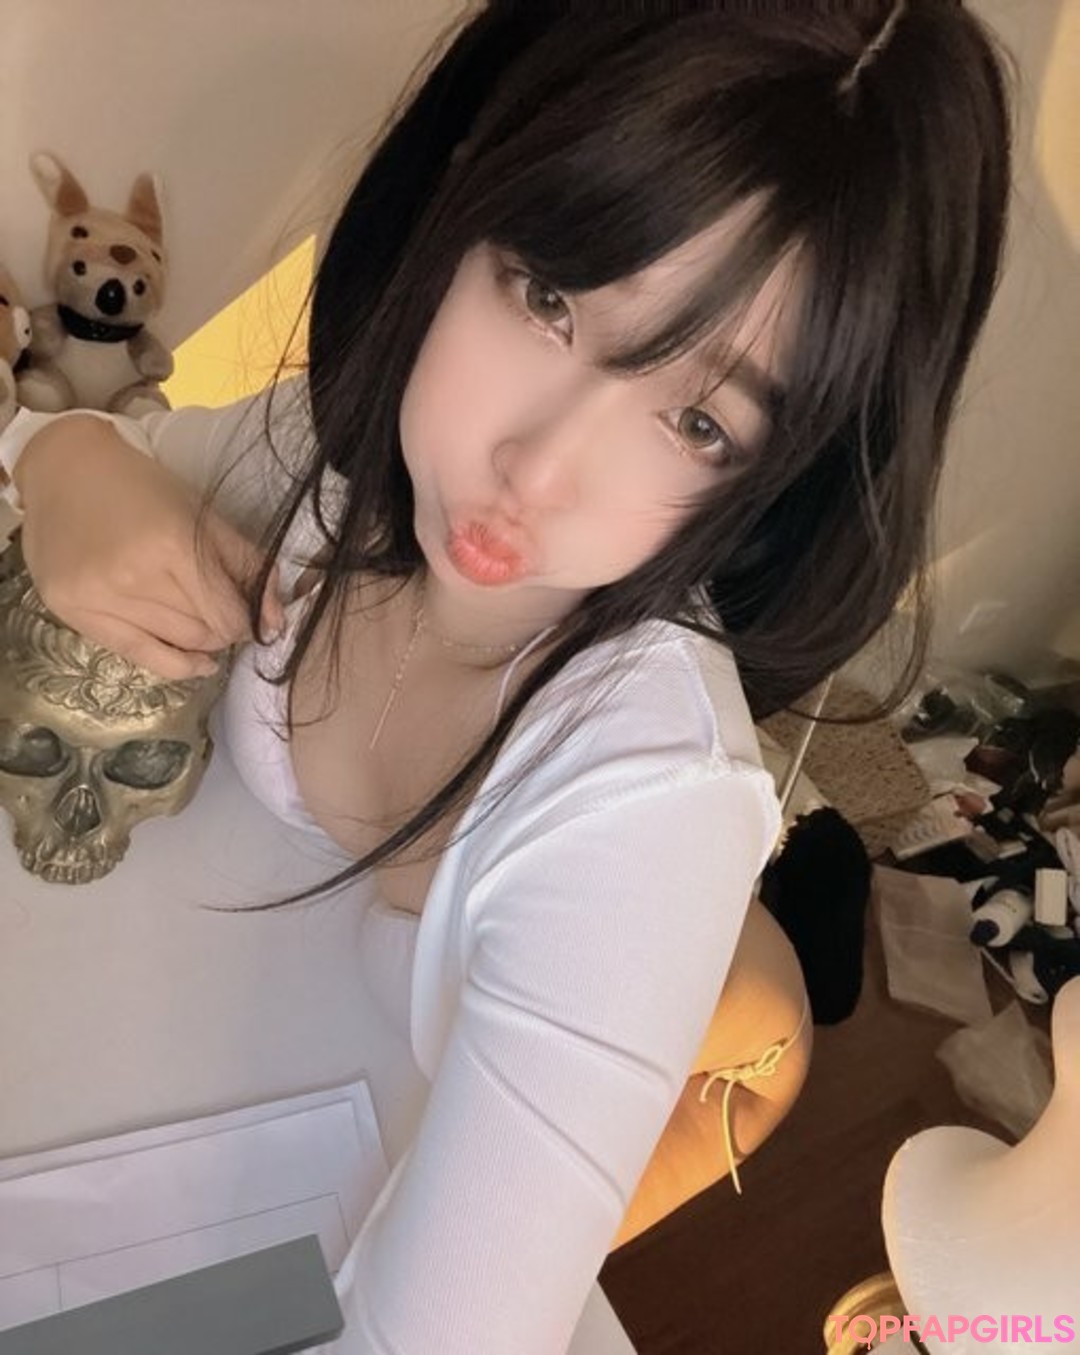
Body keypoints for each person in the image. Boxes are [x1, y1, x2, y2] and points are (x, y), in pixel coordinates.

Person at [0, 2, 1011, 1350]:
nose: (536, 469)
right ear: (460, 191)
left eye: (696, 419)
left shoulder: (643, 801)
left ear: (785, 474)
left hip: (277, 1254)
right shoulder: (328, 453)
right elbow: (116, 461)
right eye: (548, 299)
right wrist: (60, 455)